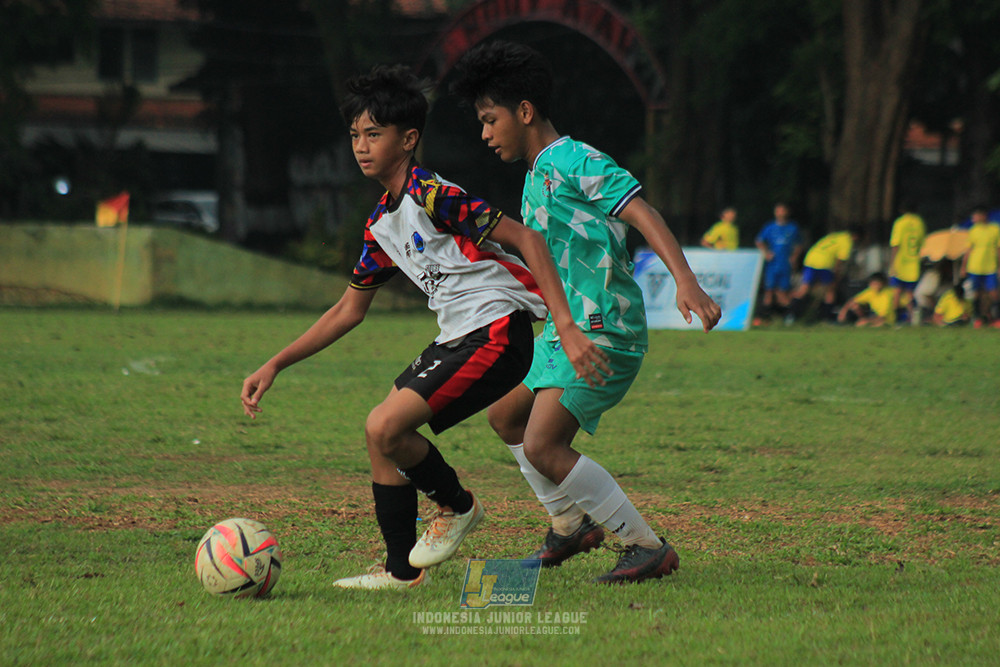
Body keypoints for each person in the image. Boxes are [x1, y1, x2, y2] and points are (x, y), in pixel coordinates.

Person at [240, 65, 607, 590]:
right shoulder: (381, 225)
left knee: (386, 426)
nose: (361, 146)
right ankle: (401, 570)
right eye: (354, 136)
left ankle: (457, 507)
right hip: (460, 336)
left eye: (374, 134)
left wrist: (564, 324)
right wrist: (274, 363)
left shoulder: (433, 193)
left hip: (498, 329)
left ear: (408, 139)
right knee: (380, 434)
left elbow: (528, 239)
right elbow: (348, 310)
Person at [450, 40, 721, 585]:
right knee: (504, 415)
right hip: (561, 332)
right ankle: (569, 524)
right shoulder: (533, 176)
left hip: (604, 329)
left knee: (543, 444)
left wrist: (685, 279)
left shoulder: (576, 159)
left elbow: (641, 211)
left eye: (489, 119)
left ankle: (645, 546)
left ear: (524, 112)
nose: (484, 133)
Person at [788, 227, 863, 323]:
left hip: (810, 260)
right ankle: (827, 318)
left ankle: (791, 316)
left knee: (804, 289)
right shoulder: (847, 241)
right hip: (824, 263)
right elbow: (839, 262)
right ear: (856, 236)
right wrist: (836, 277)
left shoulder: (836, 235)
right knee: (830, 291)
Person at [754, 203, 803, 322]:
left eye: (782, 211)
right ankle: (764, 318)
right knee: (769, 291)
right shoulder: (770, 227)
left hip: (785, 264)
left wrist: (794, 257)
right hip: (772, 265)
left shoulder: (792, 228)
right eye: (778, 211)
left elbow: (799, 244)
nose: (780, 213)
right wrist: (766, 253)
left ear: (786, 212)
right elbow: (759, 241)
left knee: (782, 292)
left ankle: (788, 317)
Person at [959, 205, 1000, 327]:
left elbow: (998, 249)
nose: (973, 218)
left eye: (975, 216)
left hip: (990, 267)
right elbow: (968, 250)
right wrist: (963, 267)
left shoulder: (995, 229)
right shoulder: (973, 230)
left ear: (983, 216)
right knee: (976, 293)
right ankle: (978, 319)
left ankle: (995, 318)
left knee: (993, 293)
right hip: (975, 267)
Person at [887, 203, 926, 324]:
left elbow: (895, 244)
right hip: (913, 263)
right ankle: (911, 319)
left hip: (900, 262)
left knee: (897, 292)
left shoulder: (900, 222)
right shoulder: (920, 222)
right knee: (910, 293)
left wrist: (892, 264)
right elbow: (921, 243)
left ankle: (894, 319)